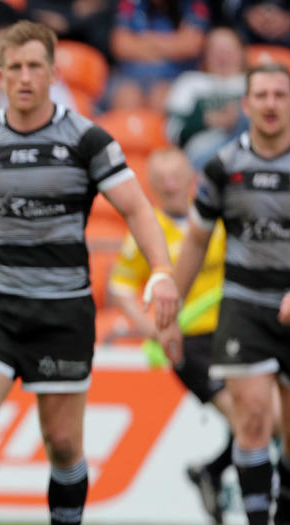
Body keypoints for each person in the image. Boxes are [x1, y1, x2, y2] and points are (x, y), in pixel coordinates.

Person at [0, 21, 178, 525]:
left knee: (64, 444)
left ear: (53, 72)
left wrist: (160, 271)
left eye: (35, 67)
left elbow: (137, 209)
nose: (25, 77)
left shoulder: (87, 140)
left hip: (64, 310)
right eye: (15, 68)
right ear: (0, 75)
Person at [162, 63, 290, 525]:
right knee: (253, 420)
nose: (271, 103)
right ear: (246, 104)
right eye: (262, 95)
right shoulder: (221, 167)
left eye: (280, 94)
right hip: (243, 308)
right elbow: (196, 240)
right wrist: (170, 309)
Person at [107, 147, 231, 523]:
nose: (170, 183)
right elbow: (120, 285)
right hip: (187, 341)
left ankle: (211, 471)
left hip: (232, 332)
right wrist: (151, 327)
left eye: (176, 174)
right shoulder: (149, 231)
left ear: (192, 176)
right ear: (152, 185)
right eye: (161, 177)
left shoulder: (217, 219)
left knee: (264, 421)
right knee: (248, 420)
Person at [165, 27, 247, 170]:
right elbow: (172, 132)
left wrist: (239, 118)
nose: (223, 56)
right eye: (216, 51)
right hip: (202, 154)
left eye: (228, 50)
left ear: (241, 53)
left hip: (247, 149)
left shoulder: (255, 83)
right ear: (205, 55)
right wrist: (206, 121)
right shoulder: (189, 82)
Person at [109, 0, 209, 112]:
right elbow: (121, 46)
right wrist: (173, 44)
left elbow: (191, 46)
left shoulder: (191, 4)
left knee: (161, 98)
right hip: (132, 77)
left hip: (175, 77)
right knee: (126, 97)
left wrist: (143, 40)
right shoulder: (132, 2)